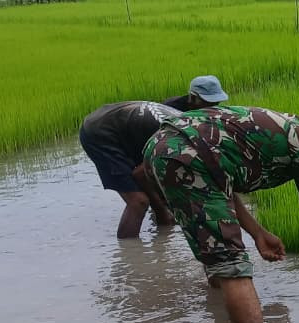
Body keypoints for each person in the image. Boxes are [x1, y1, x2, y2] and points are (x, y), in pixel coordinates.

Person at [141, 106, 299, 323]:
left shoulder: (284, 127)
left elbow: (220, 186)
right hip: (188, 156)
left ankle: (222, 319)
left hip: (161, 149)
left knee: (216, 251)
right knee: (232, 263)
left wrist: (258, 233)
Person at [79, 76, 230, 239]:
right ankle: (130, 257)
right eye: (208, 104)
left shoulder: (184, 114)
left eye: (216, 105)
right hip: (100, 133)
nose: (212, 111)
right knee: (138, 202)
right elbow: (140, 173)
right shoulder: (176, 127)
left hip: (122, 128)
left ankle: (159, 223)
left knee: (158, 182)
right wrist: (161, 212)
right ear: (192, 98)